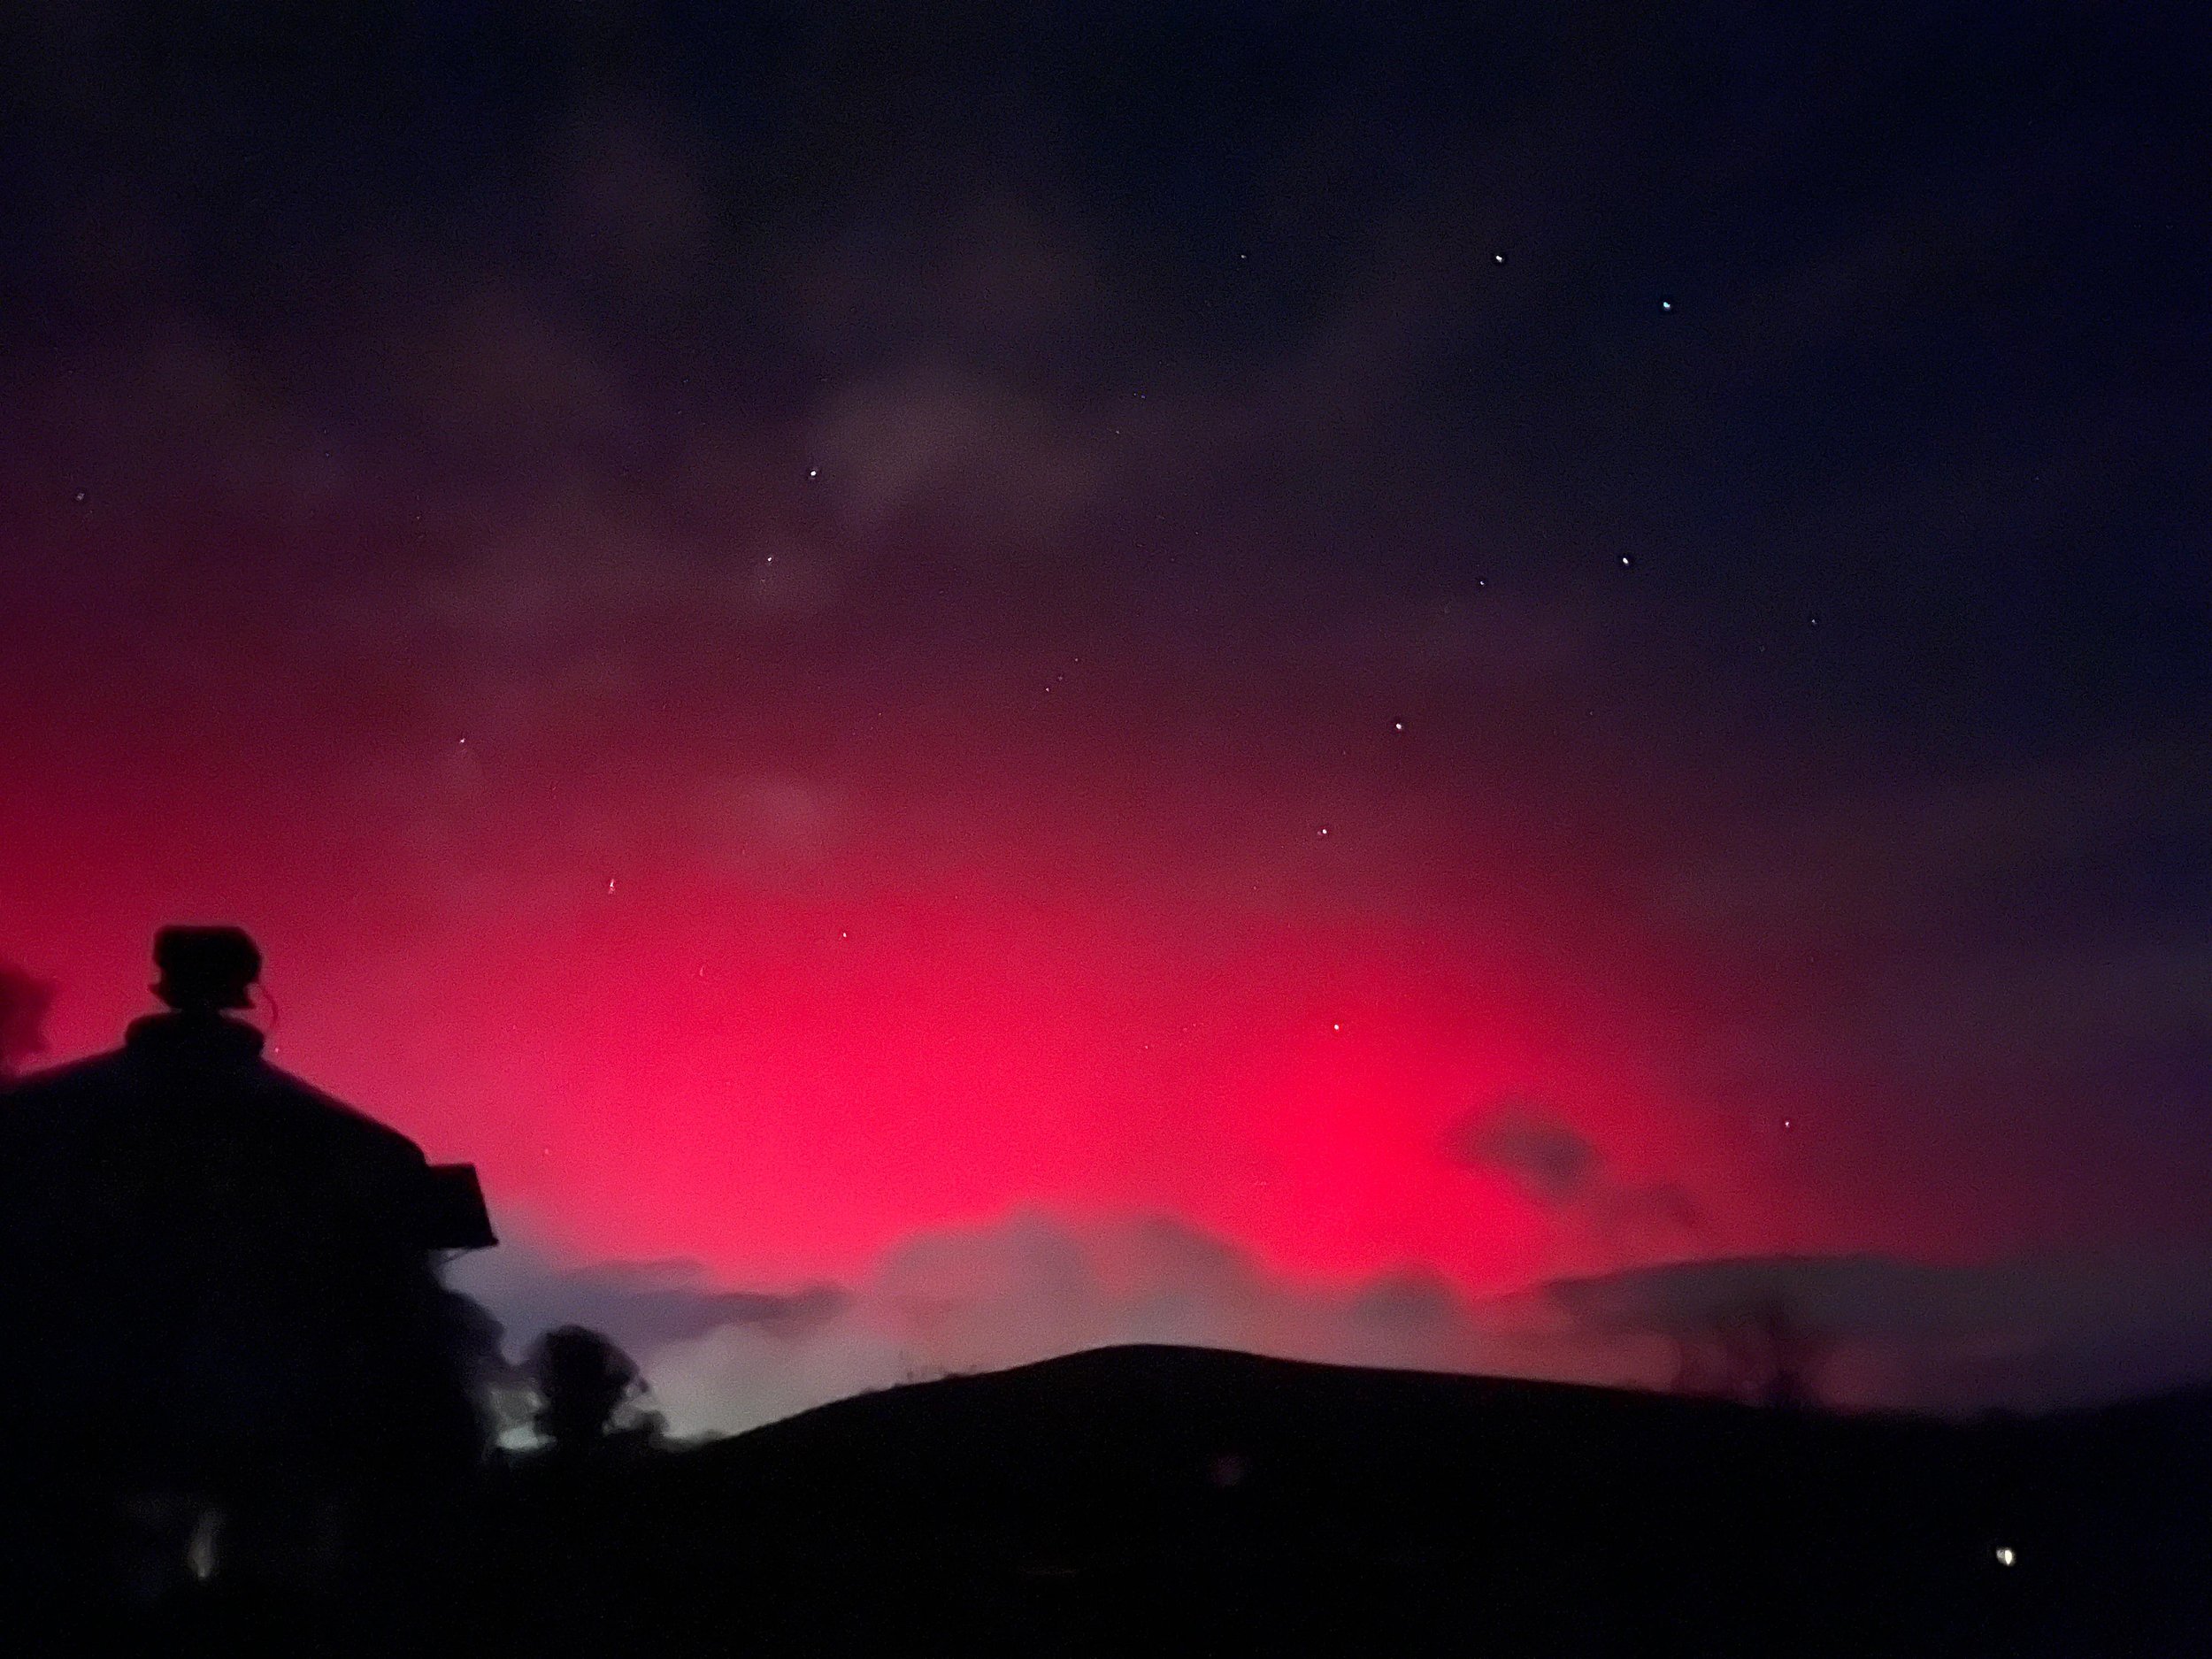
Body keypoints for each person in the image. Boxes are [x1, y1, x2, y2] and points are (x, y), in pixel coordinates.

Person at [0, 926, 496, 1610]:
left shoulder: (35, 1126)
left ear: (164, 983)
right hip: (277, 1456)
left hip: (65, 1445)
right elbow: (406, 1317)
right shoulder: (353, 1149)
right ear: (246, 987)